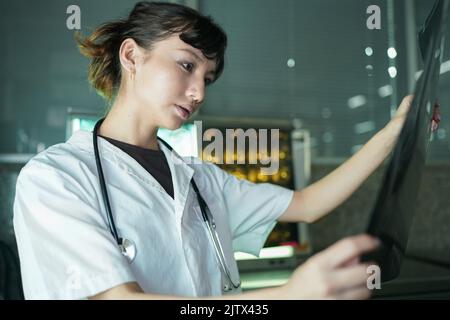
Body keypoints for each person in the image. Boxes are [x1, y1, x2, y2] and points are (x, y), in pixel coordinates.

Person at [13, 1, 412, 300]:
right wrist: (287, 296)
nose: (199, 92)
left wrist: (394, 132)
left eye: (208, 77)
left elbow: (306, 204)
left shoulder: (199, 179)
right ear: (132, 56)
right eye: (187, 66)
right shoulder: (55, 179)